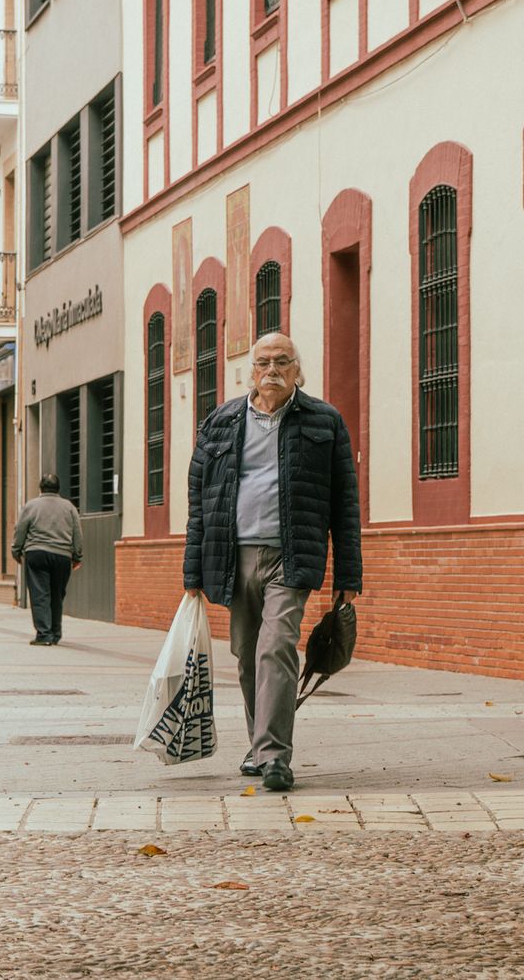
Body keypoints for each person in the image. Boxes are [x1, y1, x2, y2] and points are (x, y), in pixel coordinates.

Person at [184, 332, 362, 793]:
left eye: (282, 361)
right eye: (263, 362)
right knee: (247, 656)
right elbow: (199, 500)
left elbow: (345, 501)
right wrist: (192, 571)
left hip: (291, 553)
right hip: (234, 555)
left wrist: (348, 574)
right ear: (251, 371)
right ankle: (258, 746)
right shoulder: (220, 422)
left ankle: (275, 756)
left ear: (297, 370)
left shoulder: (325, 421)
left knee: (276, 646)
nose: (272, 370)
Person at [10, 473, 84, 646]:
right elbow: (77, 533)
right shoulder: (69, 507)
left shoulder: (31, 506)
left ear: (40, 488)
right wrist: (77, 556)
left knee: (40, 594)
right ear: (58, 488)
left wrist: (16, 551)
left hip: (36, 553)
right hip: (62, 555)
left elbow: (20, 530)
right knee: (57, 594)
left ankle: (44, 635)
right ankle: (55, 633)